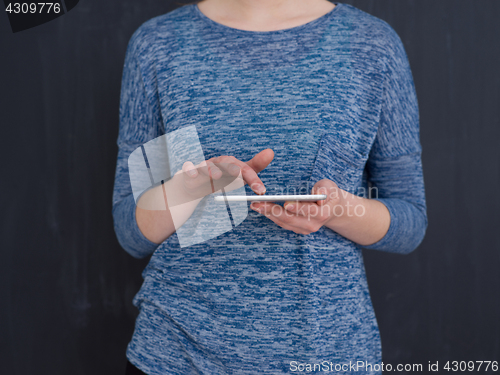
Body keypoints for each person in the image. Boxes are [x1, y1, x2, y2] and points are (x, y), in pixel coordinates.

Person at [112, 0, 428, 374]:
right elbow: (130, 232)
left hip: (326, 354)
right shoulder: (158, 43)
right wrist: (193, 187)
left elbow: (410, 221)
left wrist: (338, 210)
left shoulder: (372, 44)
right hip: (176, 354)